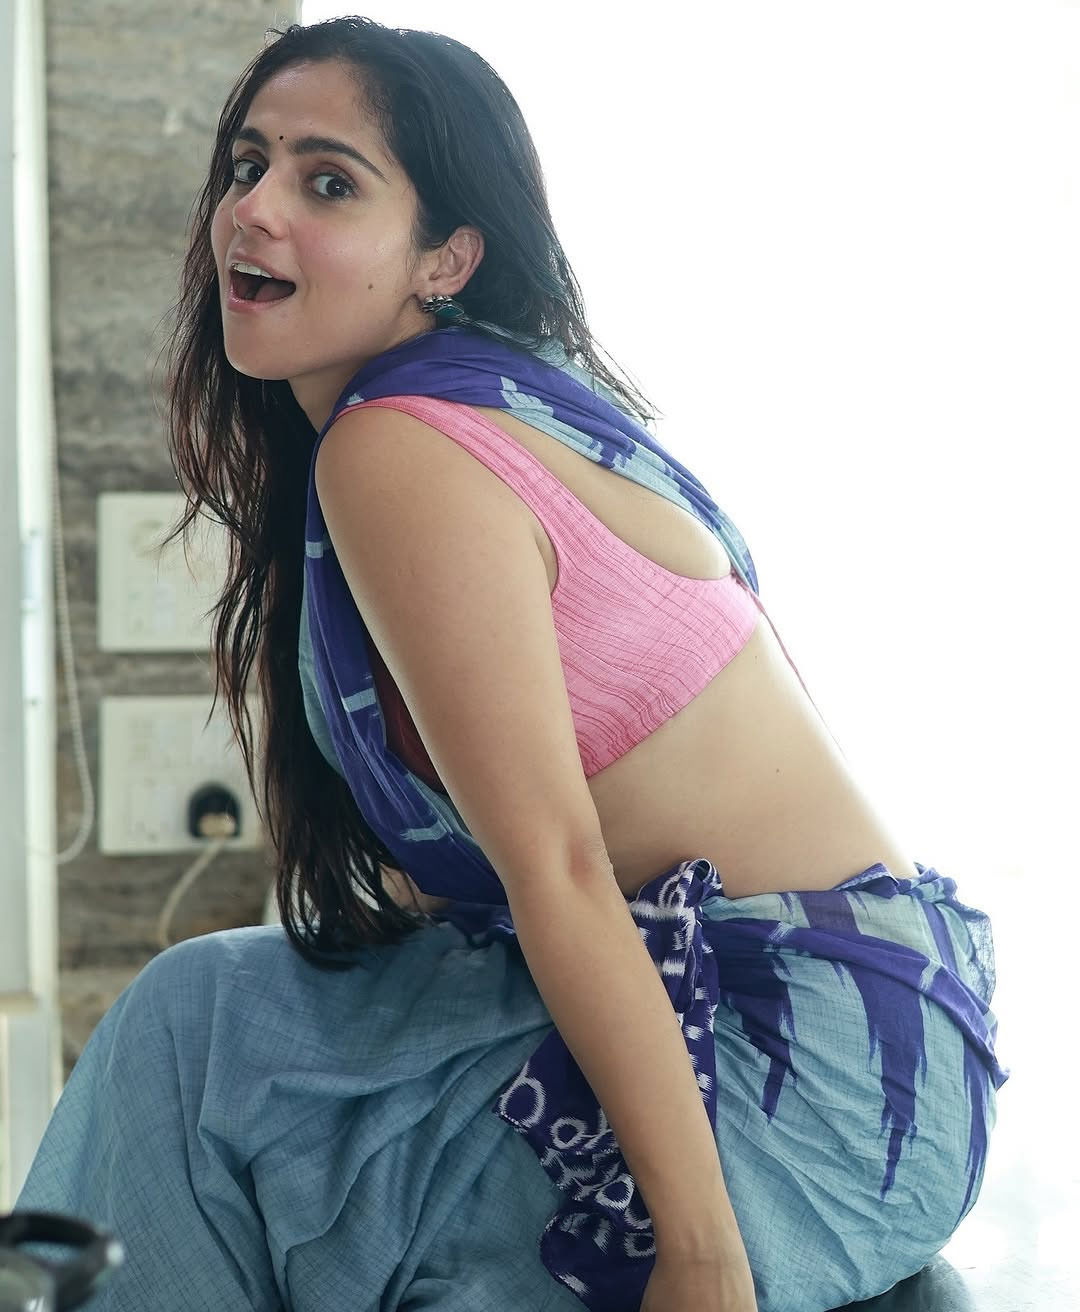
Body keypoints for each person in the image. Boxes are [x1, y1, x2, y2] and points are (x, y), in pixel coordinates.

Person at [15, 15, 1009, 1312]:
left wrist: (698, 1258)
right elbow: (471, 876)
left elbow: (559, 867)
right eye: (248, 165)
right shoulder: (486, 405)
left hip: (805, 1072)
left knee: (209, 1071)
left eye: (328, 183)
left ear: (446, 258)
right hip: (875, 1038)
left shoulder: (401, 447)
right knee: (206, 1015)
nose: (253, 210)